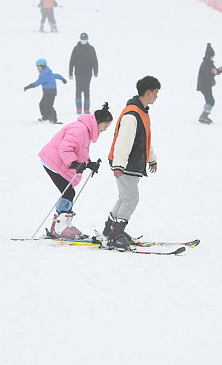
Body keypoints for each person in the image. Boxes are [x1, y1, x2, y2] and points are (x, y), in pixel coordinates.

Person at [38, 104, 113, 239]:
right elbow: (65, 149)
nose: (105, 129)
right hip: (52, 161)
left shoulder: (85, 131)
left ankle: (61, 225)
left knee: (68, 192)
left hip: (56, 162)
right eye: (105, 126)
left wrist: (89, 164)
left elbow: (80, 152)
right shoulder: (80, 129)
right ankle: (60, 228)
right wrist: (73, 163)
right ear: (98, 121)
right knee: (69, 192)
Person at [102, 75, 161, 250]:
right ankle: (116, 234)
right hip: (125, 164)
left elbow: (145, 140)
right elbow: (123, 141)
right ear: (148, 93)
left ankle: (110, 230)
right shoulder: (132, 114)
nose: (157, 96)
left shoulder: (141, 113)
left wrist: (151, 158)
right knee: (131, 199)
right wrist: (119, 165)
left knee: (125, 198)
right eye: (156, 93)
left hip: (131, 163)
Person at [24, 58, 67, 123]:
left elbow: (38, 82)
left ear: (43, 66)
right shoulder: (48, 72)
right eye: (37, 67)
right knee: (42, 104)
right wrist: (62, 78)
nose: (38, 69)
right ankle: (46, 116)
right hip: (51, 91)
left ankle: (53, 118)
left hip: (49, 91)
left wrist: (29, 86)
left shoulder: (43, 74)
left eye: (39, 67)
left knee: (48, 105)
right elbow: (56, 75)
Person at [68, 32, 99, 115]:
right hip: (78, 72)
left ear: (87, 39)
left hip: (88, 73)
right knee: (78, 89)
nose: (83, 40)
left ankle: (86, 108)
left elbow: (94, 61)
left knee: (86, 89)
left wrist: (95, 71)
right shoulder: (76, 48)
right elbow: (72, 61)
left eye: (85, 39)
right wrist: (70, 72)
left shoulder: (91, 49)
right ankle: (78, 108)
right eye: (82, 39)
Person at [196, 43, 222, 124]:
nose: (213, 57)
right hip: (204, 86)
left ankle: (204, 115)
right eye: (212, 56)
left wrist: (219, 70)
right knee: (210, 101)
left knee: (210, 100)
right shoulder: (206, 64)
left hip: (206, 85)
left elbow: (214, 72)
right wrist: (214, 73)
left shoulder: (209, 63)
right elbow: (208, 75)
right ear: (209, 56)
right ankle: (204, 116)